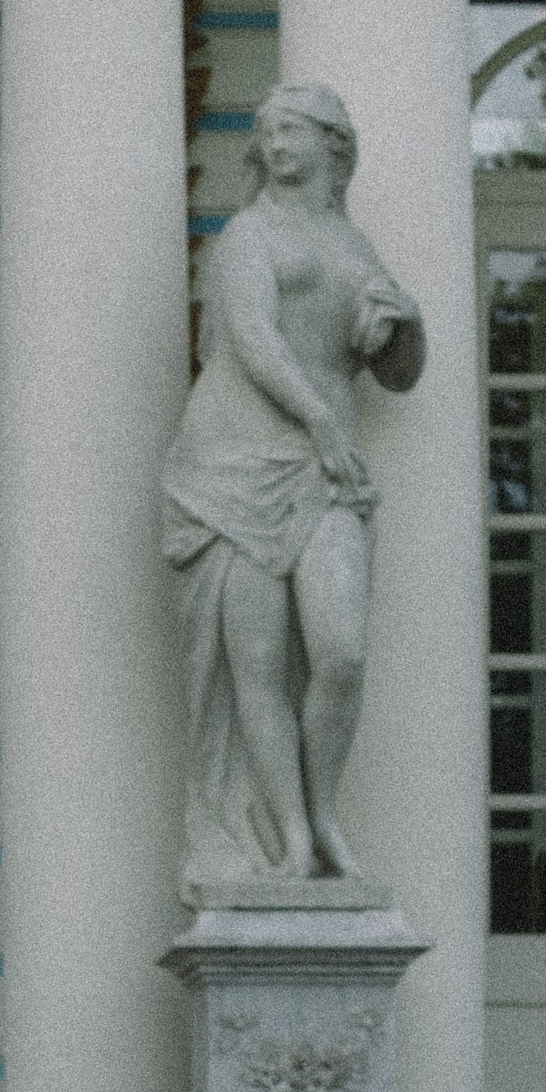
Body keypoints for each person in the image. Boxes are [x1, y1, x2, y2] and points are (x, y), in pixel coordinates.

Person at [163, 80, 425, 884]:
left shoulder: (355, 246)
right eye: (266, 131)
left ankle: (322, 812)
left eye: (292, 131)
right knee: (260, 668)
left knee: (341, 653)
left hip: (324, 468)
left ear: (332, 145)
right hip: (235, 461)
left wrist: (406, 324)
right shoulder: (248, 234)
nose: (275, 145)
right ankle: (295, 840)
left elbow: (401, 376)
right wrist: (320, 421)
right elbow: (252, 341)